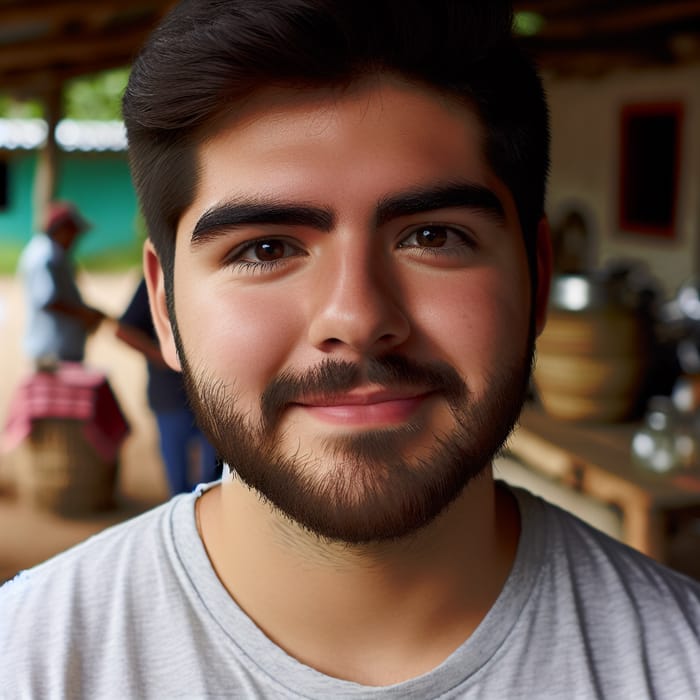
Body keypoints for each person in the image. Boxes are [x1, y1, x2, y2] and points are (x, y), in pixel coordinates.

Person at [1, 1, 699, 697]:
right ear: (164, 305)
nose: (358, 318)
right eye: (266, 248)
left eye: (433, 237)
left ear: (538, 276)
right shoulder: (28, 661)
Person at [116, 277, 220, 494]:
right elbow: (124, 330)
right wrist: (162, 356)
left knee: (216, 480)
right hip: (172, 395)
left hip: (217, 395)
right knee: (180, 482)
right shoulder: (159, 278)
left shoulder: (217, 273)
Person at [17, 201, 105, 366]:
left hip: (59, 349)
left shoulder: (53, 253)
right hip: (52, 352)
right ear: (61, 230)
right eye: (73, 233)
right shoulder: (45, 256)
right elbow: (48, 300)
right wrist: (85, 314)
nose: (75, 239)